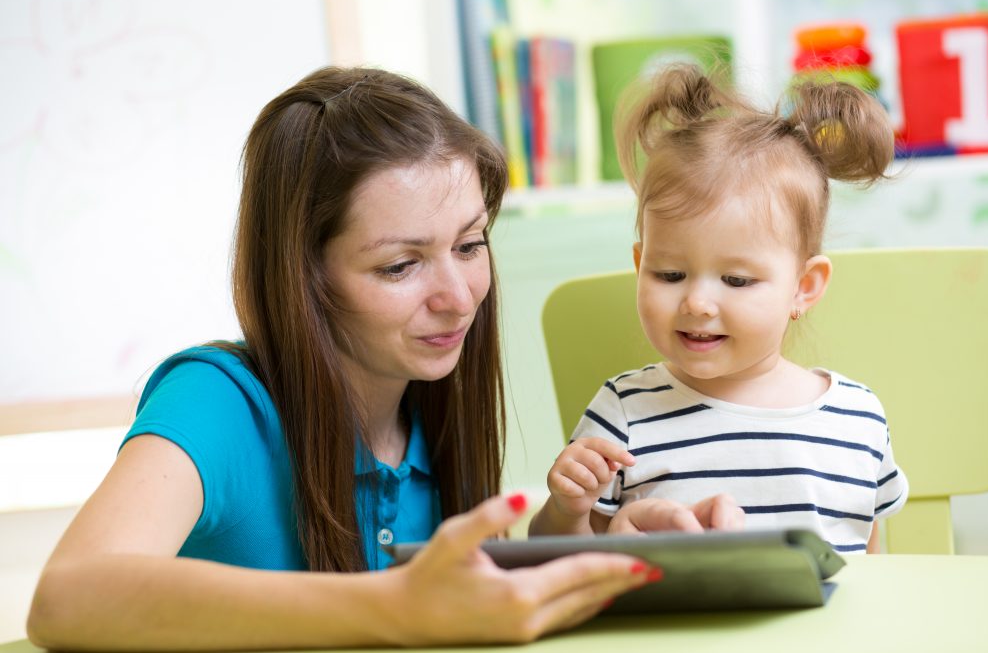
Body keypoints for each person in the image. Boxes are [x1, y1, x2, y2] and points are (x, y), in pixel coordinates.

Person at [26, 66, 745, 651]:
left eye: (470, 245)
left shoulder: (433, 417)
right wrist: (397, 604)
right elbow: (66, 595)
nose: (460, 298)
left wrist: (596, 557)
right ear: (303, 277)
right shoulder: (219, 403)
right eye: (401, 266)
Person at [529, 64, 909, 554]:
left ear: (804, 287)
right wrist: (566, 509)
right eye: (669, 275)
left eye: (736, 280)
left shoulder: (856, 419)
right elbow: (569, 564)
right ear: (640, 265)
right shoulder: (624, 413)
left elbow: (875, 571)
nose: (697, 302)